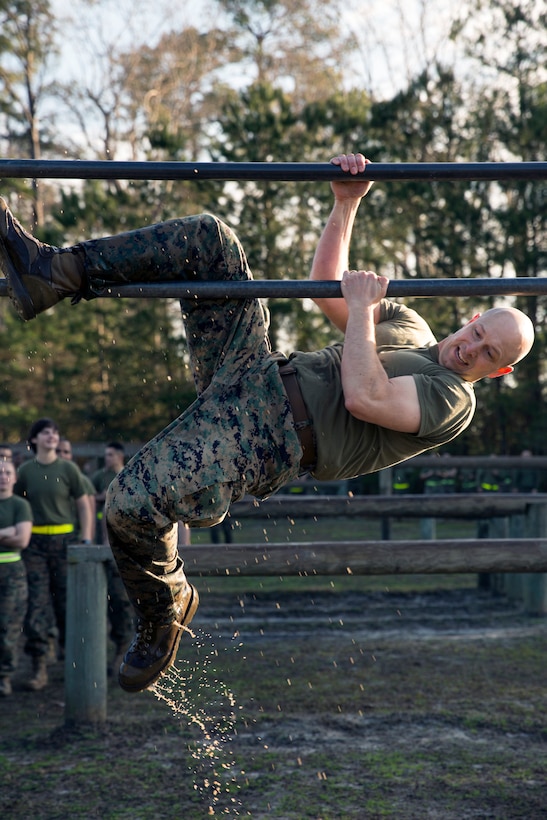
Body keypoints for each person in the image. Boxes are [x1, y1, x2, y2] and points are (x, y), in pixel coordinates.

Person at [0, 152, 535, 694]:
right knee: (210, 240)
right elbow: (323, 283)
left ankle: (165, 605)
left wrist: (360, 311)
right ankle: (52, 273)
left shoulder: (452, 400)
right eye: (478, 334)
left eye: (489, 354)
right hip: (256, 369)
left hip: (275, 437)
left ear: (500, 371)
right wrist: (346, 204)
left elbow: (365, 397)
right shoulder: (410, 323)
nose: (472, 351)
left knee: (128, 503)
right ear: (471, 318)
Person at [13, 419, 92, 690]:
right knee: (36, 604)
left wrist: (86, 538)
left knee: (67, 604)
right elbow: (15, 504)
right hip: (33, 544)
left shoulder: (68, 469)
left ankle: (74, 663)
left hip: (64, 543)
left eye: (56, 432)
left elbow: (83, 504)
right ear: (34, 439)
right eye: (46, 432)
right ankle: (39, 667)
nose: (52, 436)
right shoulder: (24, 471)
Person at [91, 442, 135, 675]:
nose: (107, 458)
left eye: (110, 455)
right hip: (110, 545)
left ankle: (135, 650)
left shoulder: (132, 478)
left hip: (134, 548)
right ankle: (121, 648)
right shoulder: (100, 477)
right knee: (116, 601)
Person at [0, 452, 33, 696]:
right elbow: (15, 534)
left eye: (8, 473)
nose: (3, 477)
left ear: (14, 478)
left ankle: (4, 676)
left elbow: (22, 539)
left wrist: (10, 533)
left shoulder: (20, 505)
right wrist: (7, 532)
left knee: (8, 628)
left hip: (12, 573)